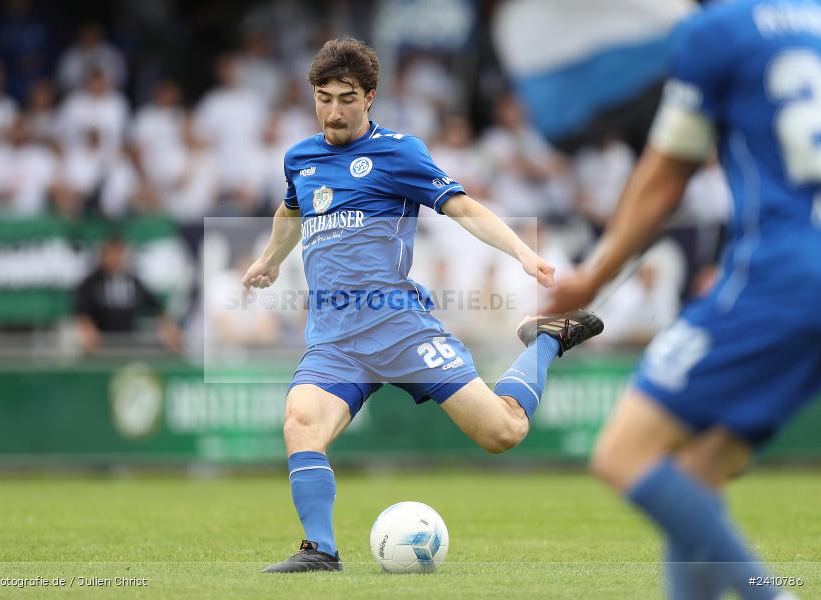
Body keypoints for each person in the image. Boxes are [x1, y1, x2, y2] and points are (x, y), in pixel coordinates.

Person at [241, 38, 604, 573]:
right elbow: (290, 210)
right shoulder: (302, 158)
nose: (333, 111)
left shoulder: (398, 152)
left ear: (370, 97)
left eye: (346, 98)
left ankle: (546, 338)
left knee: (503, 433)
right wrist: (271, 260)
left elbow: (462, 207)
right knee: (300, 423)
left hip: (400, 328)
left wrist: (523, 251)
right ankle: (320, 551)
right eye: (323, 98)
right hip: (335, 339)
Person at [545, 2, 821, 599]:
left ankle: (770, 593)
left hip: (787, 270)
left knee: (623, 453)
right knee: (696, 472)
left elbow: (667, 173)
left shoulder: (717, 31)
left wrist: (593, 275)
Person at [73, 236, 181, 353]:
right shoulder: (91, 283)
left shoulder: (132, 281)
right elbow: (81, 311)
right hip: (101, 343)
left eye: (119, 253)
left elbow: (155, 306)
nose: (115, 258)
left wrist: (168, 327)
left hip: (129, 341)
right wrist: (88, 328)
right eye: (111, 253)